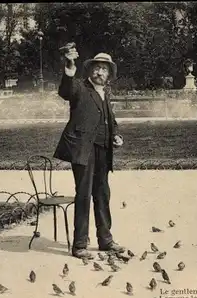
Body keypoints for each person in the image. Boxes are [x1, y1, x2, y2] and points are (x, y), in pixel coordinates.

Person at [53, 47, 125, 259]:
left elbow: (109, 119)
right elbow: (65, 91)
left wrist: (116, 135)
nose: (99, 72)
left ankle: (106, 240)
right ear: (90, 71)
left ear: (109, 75)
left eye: (104, 69)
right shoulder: (80, 88)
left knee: (102, 194)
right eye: (96, 68)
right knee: (84, 195)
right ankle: (80, 245)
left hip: (103, 150)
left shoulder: (105, 93)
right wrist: (69, 67)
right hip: (84, 150)